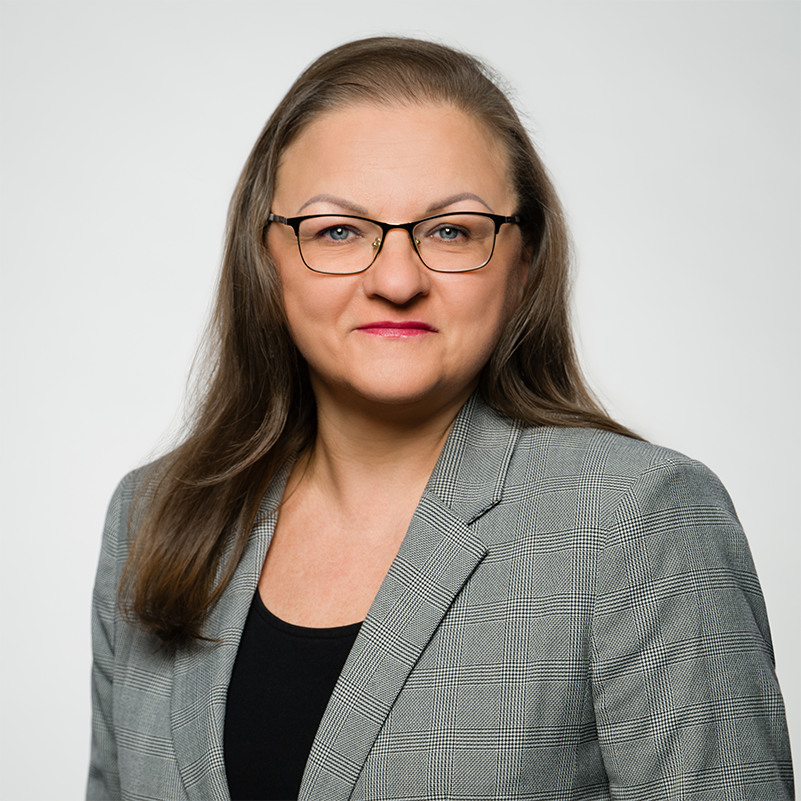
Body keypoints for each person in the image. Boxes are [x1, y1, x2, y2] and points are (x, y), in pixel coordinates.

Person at [87, 36, 794, 801]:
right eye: (337, 230)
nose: (396, 280)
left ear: (522, 263)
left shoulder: (636, 518)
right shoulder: (153, 515)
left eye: (451, 230)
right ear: (267, 261)